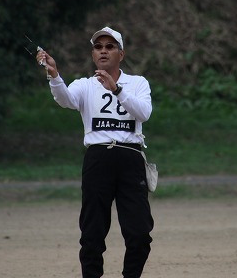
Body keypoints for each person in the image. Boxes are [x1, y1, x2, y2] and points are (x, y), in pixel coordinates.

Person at [35, 26, 154, 278]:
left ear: (121, 54)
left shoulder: (137, 83)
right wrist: (54, 75)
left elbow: (144, 113)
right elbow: (66, 100)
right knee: (92, 232)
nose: (103, 51)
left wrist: (117, 89)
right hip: (98, 158)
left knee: (139, 232)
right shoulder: (85, 85)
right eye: (98, 47)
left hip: (130, 157)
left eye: (110, 47)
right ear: (92, 54)